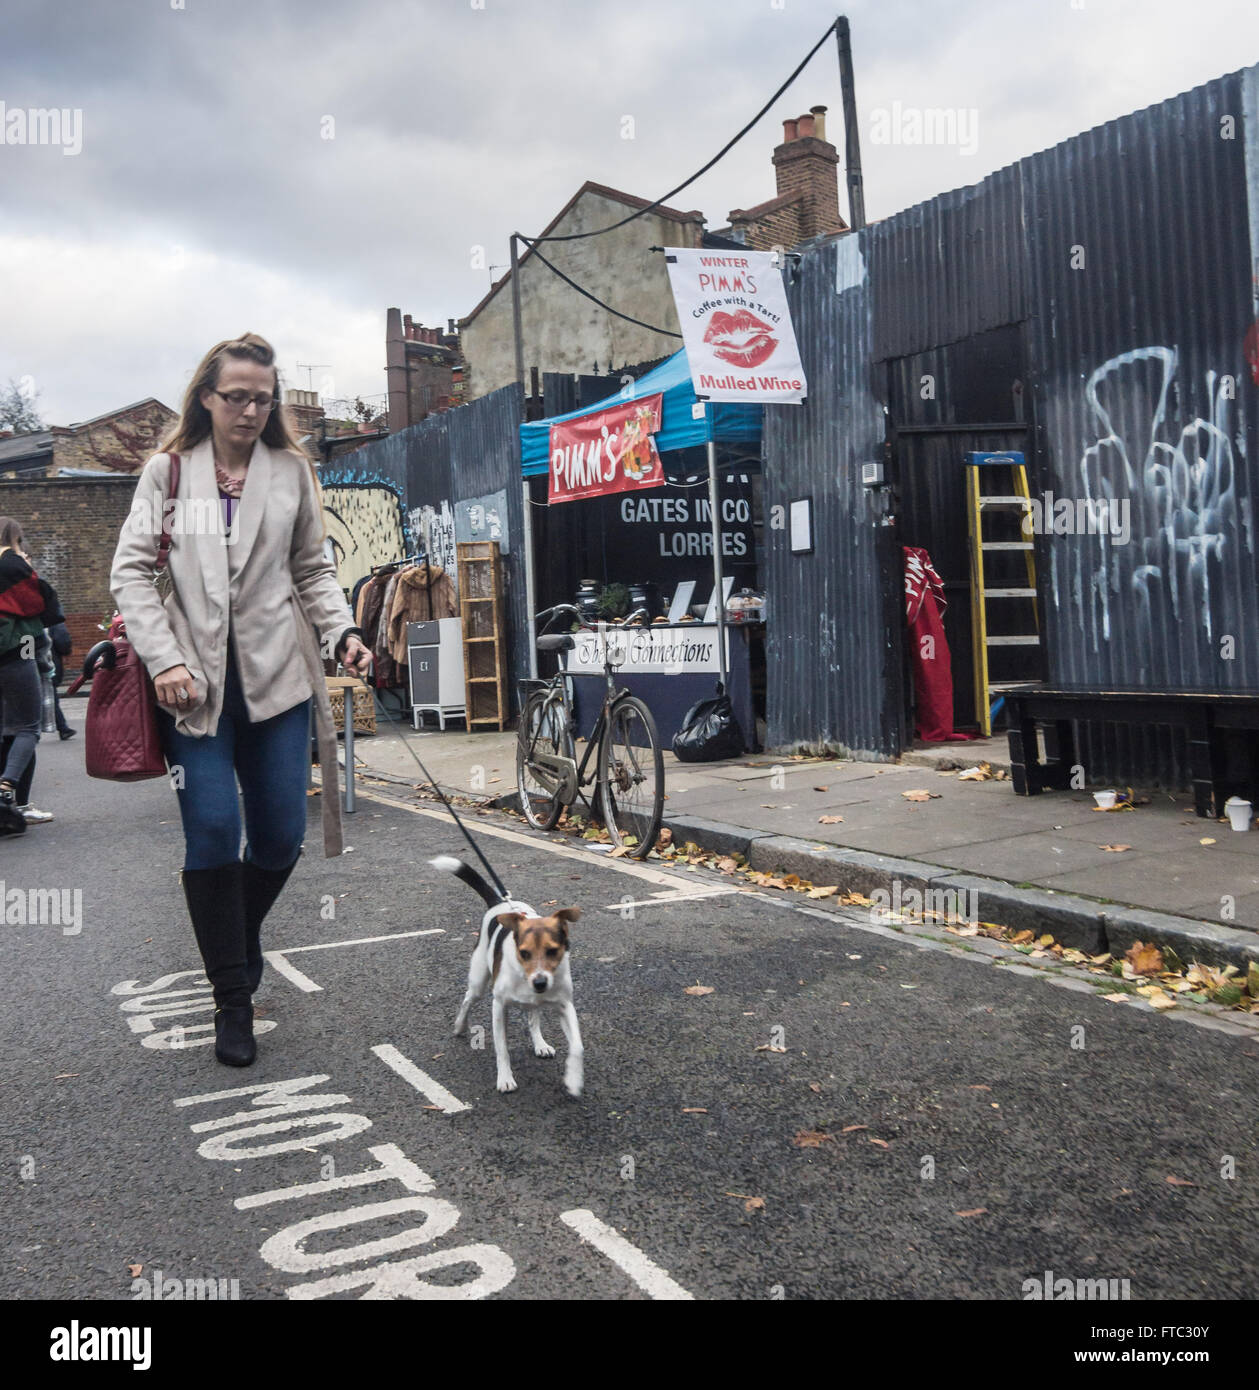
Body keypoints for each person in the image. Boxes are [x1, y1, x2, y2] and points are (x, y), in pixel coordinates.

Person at [110, 332, 371, 1068]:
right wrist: (163, 660)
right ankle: (233, 997)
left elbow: (314, 571)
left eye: (264, 397)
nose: (252, 409)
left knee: (282, 836)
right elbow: (130, 575)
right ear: (206, 397)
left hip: (278, 683)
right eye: (238, 396)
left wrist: (344, 632)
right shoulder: (167, 475)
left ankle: (232, 935)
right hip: (193, 690)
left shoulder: (290, 473)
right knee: (215, 833)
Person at [0, 521, 64, 835]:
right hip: (17, 652)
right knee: (27, 727)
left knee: (6, 730)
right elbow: (43, 603)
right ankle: (6, 788)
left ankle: (13, 803)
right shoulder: (12, 564)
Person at [48, 619, 76, 739]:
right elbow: (62, 640)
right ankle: (63, 728)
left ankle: (63, 727)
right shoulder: (52, 617)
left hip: (22, 663)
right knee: (49, 695)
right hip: (47, 663)